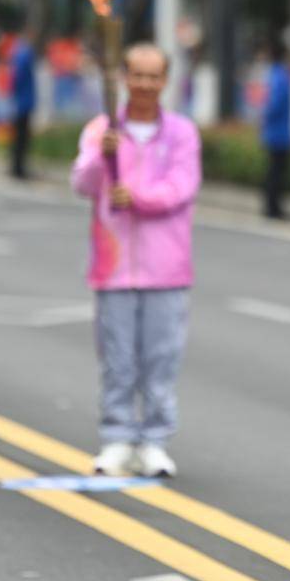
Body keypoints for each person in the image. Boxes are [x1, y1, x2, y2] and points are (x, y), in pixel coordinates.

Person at [71, 42, 201, 478]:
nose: (144, 83)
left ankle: (154, 442)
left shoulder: (181, 132)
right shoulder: (99, 130)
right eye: (137, 75)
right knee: (118, 359)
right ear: (123, 78)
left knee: (160, 359)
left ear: (165, 81)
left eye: (153, 76)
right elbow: (83, 183)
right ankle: (117, 439)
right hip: (113, 266)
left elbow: (182, 187)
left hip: (167, 268)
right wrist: (101, 156)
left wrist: (139, 198)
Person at [261, 37, 290, 219]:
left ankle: (272, 206)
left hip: (273, 131)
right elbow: (274, 104)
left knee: (274, 171)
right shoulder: (282, 75)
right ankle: (273, 208)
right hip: (279, 133)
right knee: (277, 173)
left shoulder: (273, 74)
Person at [9, 31, 36, 179]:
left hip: (21, 101)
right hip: (24, 102)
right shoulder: (25, 54)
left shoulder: (18, 53)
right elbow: (18, 78)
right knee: (21, 137)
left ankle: (16, 166)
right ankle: (18, 168)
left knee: (19, 136)